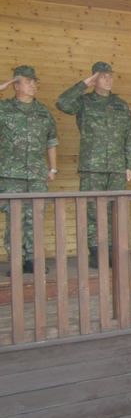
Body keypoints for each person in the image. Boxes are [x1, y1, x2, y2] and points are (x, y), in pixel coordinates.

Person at [56, 62, 131, 268]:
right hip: (92, 166)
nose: (108, 80)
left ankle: (113, 251)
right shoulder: (84, 102)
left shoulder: (121, 105)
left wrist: (128, 164)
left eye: (110, 76)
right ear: (94, 79)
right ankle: (96, 252)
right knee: (92, 211)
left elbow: (129, 136)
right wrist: (84, 84)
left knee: (115, 211)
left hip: (117, 167)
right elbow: (62, 103)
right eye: (103, 76)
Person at [0, 66, 58, 273]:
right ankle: (16, 262)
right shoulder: (3, 108)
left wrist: (53, 169)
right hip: (10, 174)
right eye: (28, 81)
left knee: (35, 218)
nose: (33, 85)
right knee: (14, 219)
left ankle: (34, 260)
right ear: (16, 85)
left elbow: (51, 141)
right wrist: (3, 87)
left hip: (36, 174)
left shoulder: (43, 112)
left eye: (35, 81)